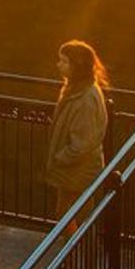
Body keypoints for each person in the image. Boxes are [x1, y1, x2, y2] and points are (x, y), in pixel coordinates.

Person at [44, 39, 110, 236]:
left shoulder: (86, 99)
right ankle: (76, 257)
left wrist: (59, 158)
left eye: (63, 61)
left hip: (77, 170)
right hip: (75, 170)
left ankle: (76, 258)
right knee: (73, 215)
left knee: (69, 216)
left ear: (76, 66)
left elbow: (81, 145)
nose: (58, 65)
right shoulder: (78, 89)